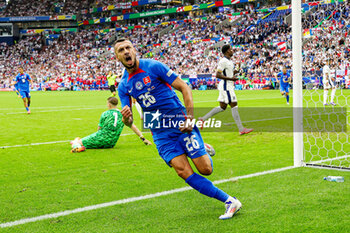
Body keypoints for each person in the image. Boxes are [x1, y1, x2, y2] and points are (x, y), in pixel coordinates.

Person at [115, 38, 242, 220]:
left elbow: (184, 87)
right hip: (158, 129)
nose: (126, 51)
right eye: (121, 50)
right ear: (117, 56)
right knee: (183, 171)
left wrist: (190, 118)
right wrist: (126, 120)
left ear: (134, 50)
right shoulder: (123, 86)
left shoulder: (153, 66)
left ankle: (202, 148)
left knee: (206, 169)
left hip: (179, 121)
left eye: (128, 47)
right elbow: (129, 121)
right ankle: (230, 201)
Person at [199, 45, 253, 135]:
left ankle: (202, 119)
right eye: (231, 49)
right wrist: (231, 79)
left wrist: (238, 69)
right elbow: (218, 74)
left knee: (222, 107)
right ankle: (241, 129)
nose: (232, 51)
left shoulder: (229, 62)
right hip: (226, 86)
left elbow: (231, 73)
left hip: (228, 86)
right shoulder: (223, 61)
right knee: (234, 104)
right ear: (227, 51)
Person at [70, 97, 151, 153]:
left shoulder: (105, 113)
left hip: (101, 138)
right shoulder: (122, 114)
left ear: (109, 104)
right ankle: (77, 141)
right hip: (111, 143)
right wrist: (143, 139)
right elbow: (133, 127)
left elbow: (99, 129)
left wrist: (96, 138)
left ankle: (77, 146)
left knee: (75, 142)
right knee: (77, 140)